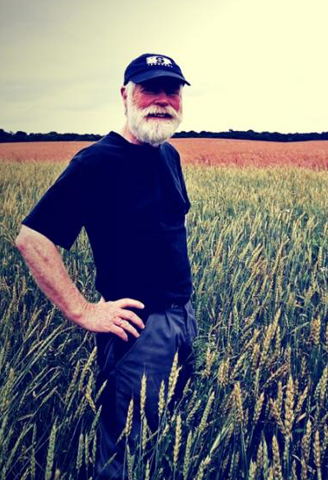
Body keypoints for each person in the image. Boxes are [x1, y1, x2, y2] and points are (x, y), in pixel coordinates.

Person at [15, 53, 198, 479]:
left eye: (172, 90)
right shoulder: (97, 162)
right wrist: (84, 311)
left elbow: (170, 225)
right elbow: (33, 238)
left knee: (161, 439)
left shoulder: (168, 154)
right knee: (125, 457)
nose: (162, 100)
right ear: (125, 95)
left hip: (182, 320)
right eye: (150, 89)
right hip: (137, 330)